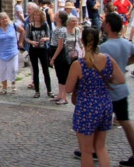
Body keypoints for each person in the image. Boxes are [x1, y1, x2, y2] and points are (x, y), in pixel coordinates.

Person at [65, 27, 125, 167]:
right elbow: (121, 80)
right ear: (98, 41)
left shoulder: (78, 64)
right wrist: (107, 79)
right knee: (101, 148)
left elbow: (67, 89)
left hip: (86, 107)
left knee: (86, 151)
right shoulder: (108, 60)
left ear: (82, 41)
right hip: (105, 105)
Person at [97, 13, 134, 166]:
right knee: (125, 122)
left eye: (105, 23)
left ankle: (94, 149)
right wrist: (124, 65)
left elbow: (100, 67)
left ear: (109, 26)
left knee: (98, 122)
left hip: (108, 89)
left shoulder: (105, 47)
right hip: (121, 89)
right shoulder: (127, 43)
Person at [0, 13, 25, 95]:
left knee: (13, 69)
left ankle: (13, 83)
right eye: (3, 19)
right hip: (1, 53)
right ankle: (4, 87)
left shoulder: (13, 25)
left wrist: (20, 41)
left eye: (6, 18)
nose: (5, 20)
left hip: (13, 51)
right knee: (2, 71)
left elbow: (22, 31)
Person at [25, 7, 53, 99]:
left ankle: (49, 90)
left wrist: (45, 39)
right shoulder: (30, 26)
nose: (37, 17)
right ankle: (37, 91)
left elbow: (49, 36)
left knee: (45, 70)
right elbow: (26, 38)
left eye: (38, 15)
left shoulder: (45, 25)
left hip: (43, 49)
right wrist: (32, 42)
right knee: (35, 70)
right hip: (33, 49)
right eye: (35, 15)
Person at [49, 11, 70, 105]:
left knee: (63, 75)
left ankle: (64, 97)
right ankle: (60, 95)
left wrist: (53, 58)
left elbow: (60, 45)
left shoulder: (62, 30)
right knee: (59, 75)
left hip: (60, 53)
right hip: (55, 50)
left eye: (56, 15)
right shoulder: (57, 28)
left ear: (60, 19)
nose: (54, 16)